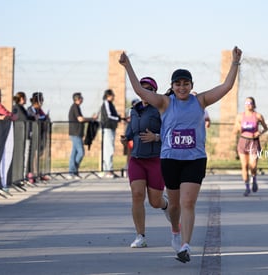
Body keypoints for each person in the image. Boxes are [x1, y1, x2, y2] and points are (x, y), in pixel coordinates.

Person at [119, 46, 242, 263]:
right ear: (173, 87)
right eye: (178, 84)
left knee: (188, 202)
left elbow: (226, 87)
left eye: (186, 83)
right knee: (174, 205)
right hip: (170, 160)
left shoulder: (200, 101)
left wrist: (234, 62)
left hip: (194, 160)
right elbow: (139, 90)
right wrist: (127, 65)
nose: (182, 87)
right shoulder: (165, 103)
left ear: (192, 86)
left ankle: (185, 245)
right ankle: (175, 232)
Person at [120, 76, 170, 248]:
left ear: (154, 92)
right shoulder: (134, 110)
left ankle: (165, 204)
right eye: (142, 88)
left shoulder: (161, 109)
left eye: (148, 88)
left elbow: (171, 134)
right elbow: (130, 132)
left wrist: (155, 137)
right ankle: (140, 236)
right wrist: (124, 138)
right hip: (137, 160)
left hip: (156, 160)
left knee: (155, 202)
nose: (144, 91)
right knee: (137, 195)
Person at [233, 96, 268, 196]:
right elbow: (235, 130)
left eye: (250, 103)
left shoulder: (258, 116)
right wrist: (237, 128)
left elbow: (265, 128)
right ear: (244, 105)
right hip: (243, 142)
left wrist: (259, 132)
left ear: (254, 104)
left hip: (254, 142)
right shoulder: (240, 116)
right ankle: (247, 187)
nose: (248, 105)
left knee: (253, 165)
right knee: (244, 166)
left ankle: (254, 179)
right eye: (247, 103)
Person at [68, 92, 97, 179]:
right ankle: (73, 171)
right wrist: (91, 119)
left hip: (78, 133)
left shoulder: (77, 107)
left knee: (74, 153)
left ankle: (72, 172)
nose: (82, 99)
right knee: (81, 152)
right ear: (77, 99)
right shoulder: (75, 107)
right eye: (81, 98)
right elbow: (80, 119)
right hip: (75, 133)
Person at [27, 92, 50, 182]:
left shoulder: (39, 110)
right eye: (41, 100)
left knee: (39, 155)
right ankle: (31, 174)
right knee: (33, 155)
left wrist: (45, 117)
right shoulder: (30, 109)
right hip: (33, 134)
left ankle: (38, 173)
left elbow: (44, 118)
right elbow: (32, 118)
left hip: (40, 134)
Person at [13, 92, 35, 183]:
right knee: (23, 156)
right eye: (25, 97)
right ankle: (21, 176)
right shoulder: (17, 108)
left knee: (25, 155)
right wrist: (33, 118)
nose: (26, 99)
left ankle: (24, 175)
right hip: (21, 135)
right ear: (21, 98)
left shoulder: (22, 108)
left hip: (24, 134)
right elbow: (24, 118)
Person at [100, 89, 122, 178]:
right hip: (107, 128)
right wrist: (118, 118)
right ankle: (108, 170)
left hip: (111, 128)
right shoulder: (106, 103)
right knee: (108, 149)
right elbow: (109, 116)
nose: (114, 97)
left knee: (110, 149)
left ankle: (109, 169)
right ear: (108, 95)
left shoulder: (110, 104)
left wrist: (119, 118)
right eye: (112, 95)